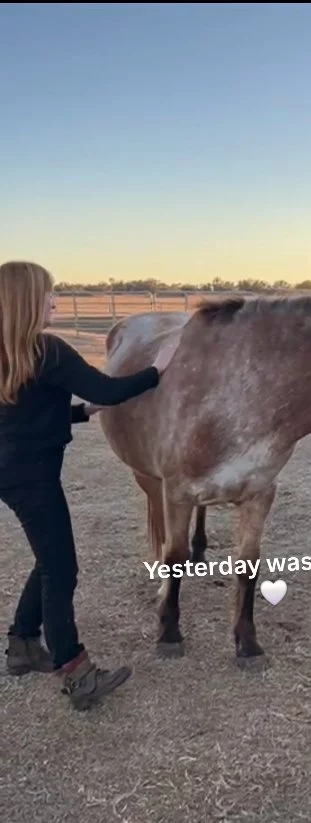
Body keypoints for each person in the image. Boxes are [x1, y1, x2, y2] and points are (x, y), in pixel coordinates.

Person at [0, 260, 179, 710]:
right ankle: (75, 671)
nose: (55, 301)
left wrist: (80, 414)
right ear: (26, 302)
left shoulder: (13, 352)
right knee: (62, 571)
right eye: (48, 294)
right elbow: (110, 389)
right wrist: (158, 367)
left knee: (49, 559)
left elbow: (22, 413)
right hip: (34, 478)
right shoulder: (49, 351)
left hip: (13, 472)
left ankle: (23, 644)